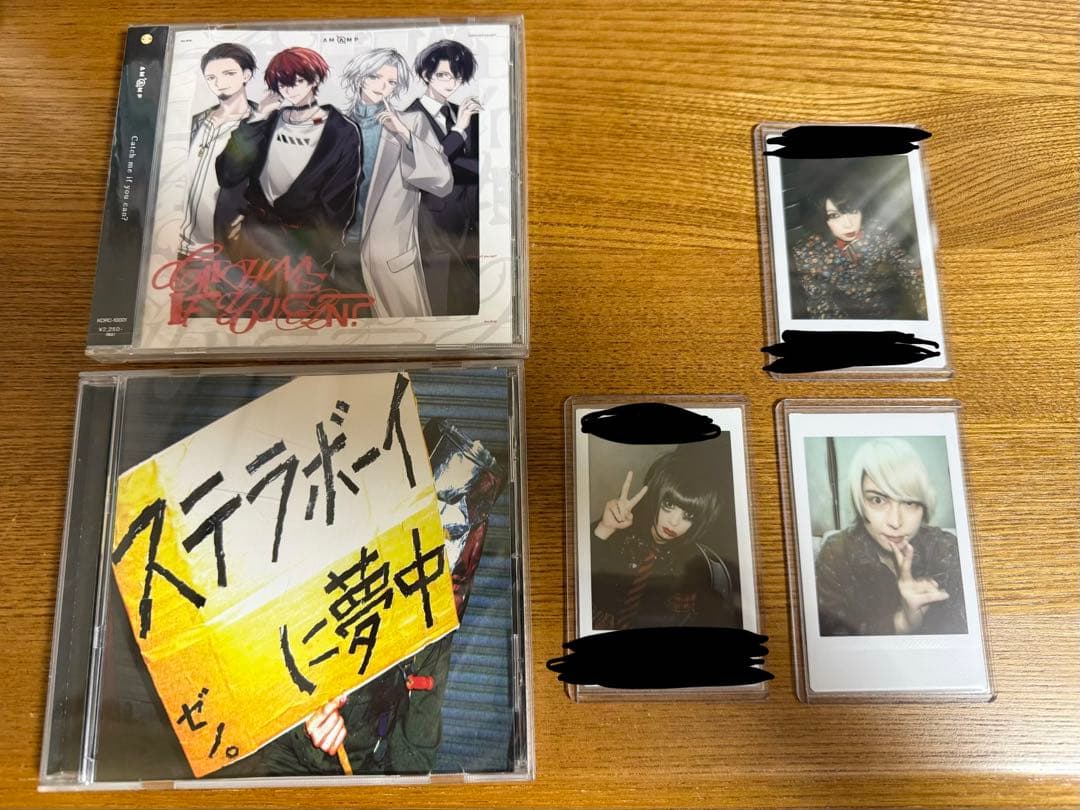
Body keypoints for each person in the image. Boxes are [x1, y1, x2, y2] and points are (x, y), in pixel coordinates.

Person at [215, 46, 361, 293]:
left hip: (305, 249)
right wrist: (257, 118)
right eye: (283, 83)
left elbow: (339, 203)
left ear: (315, 80)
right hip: (253, 239)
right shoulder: (268, 120)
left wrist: (318, 254)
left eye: (298, 81)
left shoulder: (341, 131)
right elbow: (228, 174)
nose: (290, 89)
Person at [335, 48, 452, 318]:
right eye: (375, 77)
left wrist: (404, 134)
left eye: (391, 82)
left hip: (388, 258)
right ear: (359, 76)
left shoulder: (411, 122)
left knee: (405, 335)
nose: (382, 87)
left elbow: (442, 181)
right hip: (337, 252)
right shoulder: (336, 123)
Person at [814, 438, 967, 636]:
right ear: (860, 503)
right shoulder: (837, 554)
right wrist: (901, 623)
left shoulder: (945, 549)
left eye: (909, 503)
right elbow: (831, 640)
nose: (895, 522)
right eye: (878, 500)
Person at [590, 445, 735, 630]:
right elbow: (579, 578)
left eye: (688, 515)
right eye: (669, 505)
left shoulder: (694, 566)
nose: (674, 522)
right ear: (655, 495)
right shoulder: (620, 526)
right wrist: (604, 528)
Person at [406, 40, 481, 316]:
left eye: (457, 77)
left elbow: (479, 166)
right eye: (443, 75)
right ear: (426, 74)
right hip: (432, 223)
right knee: (438, 298)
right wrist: (458, 131)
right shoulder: (409, 118)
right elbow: (426, 167)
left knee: (468, 297)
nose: (452, 83)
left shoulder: (464, 114)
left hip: (470, 221)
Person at [789, 173, 928, 320]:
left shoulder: (877, 230)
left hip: (894, 309)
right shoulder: (808, 255)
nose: (849, 224)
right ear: (820, 218)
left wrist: (923, 299)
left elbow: (905, 266)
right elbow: (821, 306)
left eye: (853, 211)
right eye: (834, 216)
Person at [178, 43, 258, 257]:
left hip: (230, 250)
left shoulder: (262, 125)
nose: (219, 83)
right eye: (211, 77)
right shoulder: (194, 123)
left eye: (228, 74)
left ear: (246, 75)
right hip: (181, 247)